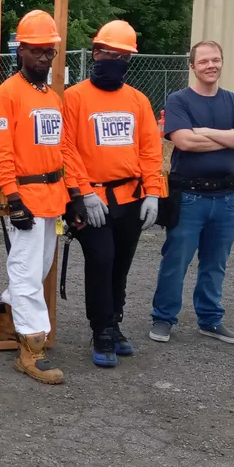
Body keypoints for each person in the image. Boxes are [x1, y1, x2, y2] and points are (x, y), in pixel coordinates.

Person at [0, 10, 85, 385]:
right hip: (26, 195)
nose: (45, 58)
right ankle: (31, 350)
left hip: (53, 196)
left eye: (51, 52)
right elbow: (0, 153)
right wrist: (13, 198)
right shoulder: (6, 95)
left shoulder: (51, 97)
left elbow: (63, 149)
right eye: (38, 51)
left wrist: (74, 194)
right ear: (22, 51)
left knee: (39, 269)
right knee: (26, 272)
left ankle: (6, 310)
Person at [60, 20, 163, 368]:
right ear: (95, 53)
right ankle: (101, 328)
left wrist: (153, 192)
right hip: (93, 200)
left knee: (120, 264)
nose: (115, 60)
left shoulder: (137, 101)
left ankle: (114, 321)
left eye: (123, 56)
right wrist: (83, 194)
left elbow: (150, 150)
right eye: (109, 54)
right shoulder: (74, 98)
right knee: (101, 260)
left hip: (131, 199)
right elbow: (66, 149)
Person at [150, 40, 234, 345]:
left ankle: (210, 320)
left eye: (216, 60)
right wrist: (229, 138)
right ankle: (163, 318)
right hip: (189, 197)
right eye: (204, 61)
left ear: (222, 63)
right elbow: (184, 142)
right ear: (193, 66)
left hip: (226, 198)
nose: (211, 65)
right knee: (176, 260)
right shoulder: (179, 100)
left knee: (215, 263)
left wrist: (206, 132)